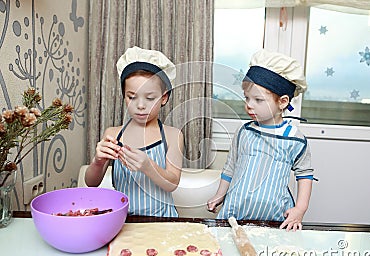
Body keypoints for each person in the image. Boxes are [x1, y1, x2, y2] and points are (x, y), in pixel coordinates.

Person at [207, 49, 315, 231]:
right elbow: (231, 167)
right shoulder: (244, 132)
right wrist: (220, 194)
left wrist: (300, 209)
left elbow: (304, 175)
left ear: (282, 102)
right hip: (235, 212)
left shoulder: (295, 139)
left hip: (274, 218)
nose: (249, 104)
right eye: (247, 98)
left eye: (258, 99)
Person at [85, 46, 184, 217]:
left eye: (150, 98)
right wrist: (98, 162)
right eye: (132, 96)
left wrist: (148, 166)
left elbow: (172, 183)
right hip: (122, 220)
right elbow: (91, 183)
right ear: (124, 95)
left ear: (164, 98)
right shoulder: (113, 134)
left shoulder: (172, 135)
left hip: (163, 220)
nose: (140, 105)